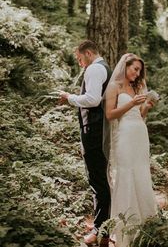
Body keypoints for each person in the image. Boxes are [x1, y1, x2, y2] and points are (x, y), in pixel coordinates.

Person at [59, 40, 111, 246]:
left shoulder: (94, 69)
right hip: (97, 130)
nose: (80, 64)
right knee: (98, 178)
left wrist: (70, 97)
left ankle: (102, 231)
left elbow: (92, 100)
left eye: (80, 59)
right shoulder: (102, 67)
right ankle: (102, 222)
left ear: (88, 53)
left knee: (97, 179)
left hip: (94, 131)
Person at [104, 53, 158, 247]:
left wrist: (147, 107)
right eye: (135, 69)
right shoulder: (114, 86)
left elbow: (139, 114)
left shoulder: (137, 87)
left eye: (139, 71)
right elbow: (110, 114)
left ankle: (146, 224)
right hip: (124, 135)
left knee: (141, 172)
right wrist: (130, 103)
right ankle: (125, 229)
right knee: (126, 173)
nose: (137, 73)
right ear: (125, 66)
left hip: (140, 134)